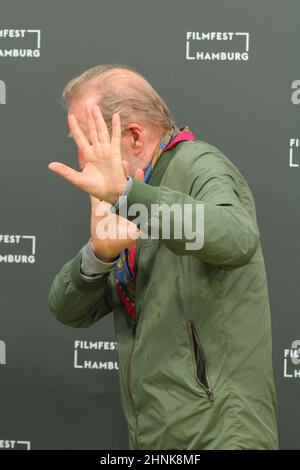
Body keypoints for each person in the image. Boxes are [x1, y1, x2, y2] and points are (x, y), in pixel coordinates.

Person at [48, 64, 278, 450]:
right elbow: (67, 309)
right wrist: (98, 256)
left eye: (90, 141)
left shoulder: (198, 164)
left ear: (134, 137)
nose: (81, 158)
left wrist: (129, 198)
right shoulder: (135, 198)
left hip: (222, 436)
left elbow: (237, 237)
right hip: (156, 439)